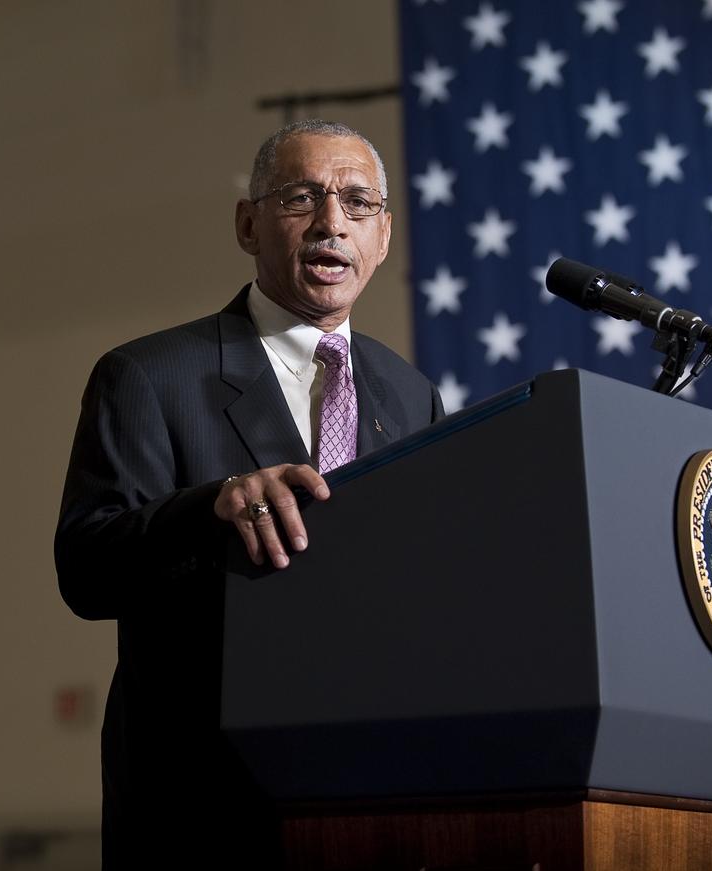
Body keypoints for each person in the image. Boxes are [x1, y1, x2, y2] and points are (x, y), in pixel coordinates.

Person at [55, 120, 442, 867]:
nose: (333, 222)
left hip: (373, 802)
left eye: (358, 203)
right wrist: (209, 507)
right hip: (203, 810)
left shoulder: (412, 393)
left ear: (384, 236)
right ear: (247, 223)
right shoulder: (148, 376)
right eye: (303, 197)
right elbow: (85, 568)